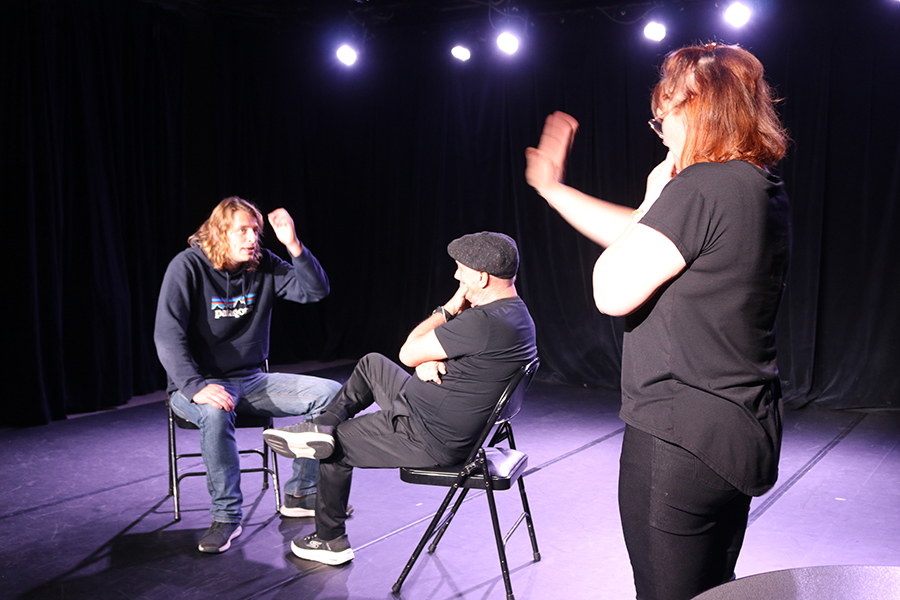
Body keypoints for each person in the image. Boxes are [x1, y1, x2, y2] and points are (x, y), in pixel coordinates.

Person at [525, 43, 790, 600]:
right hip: (735, 432)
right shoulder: (753, 185)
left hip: (678, 438)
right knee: (713, 591)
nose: (661, 130)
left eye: (664, 113)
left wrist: (653, 196)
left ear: (701, 107)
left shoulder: (701, 186)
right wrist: (554, 191)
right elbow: (649, 245)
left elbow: (611, 291)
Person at [262, 231, 538, 566]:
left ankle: (329, 539)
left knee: (336, 445)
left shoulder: (482, 321)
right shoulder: (516, 314)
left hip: (428, 435)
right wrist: (428, 361)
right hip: (434, 410)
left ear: (481, 278)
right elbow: (460, 361)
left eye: (461, 270)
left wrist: (449, 308)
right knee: (372, 364)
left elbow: (408, 351)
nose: (457, 277)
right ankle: (322, 424)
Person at [154, 196, 342, 554]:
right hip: (196, 384)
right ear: (219, 232)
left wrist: (293, 245)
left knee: (331, 394)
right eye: (242, 230)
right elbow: (167, 334)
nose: (252, 238)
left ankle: (301, 493)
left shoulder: (263, 264)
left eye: (255, 231)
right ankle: (226, 517)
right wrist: (195, 386)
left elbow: (315, 291)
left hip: (250, 380)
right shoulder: (187, 266)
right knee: (215, 410)